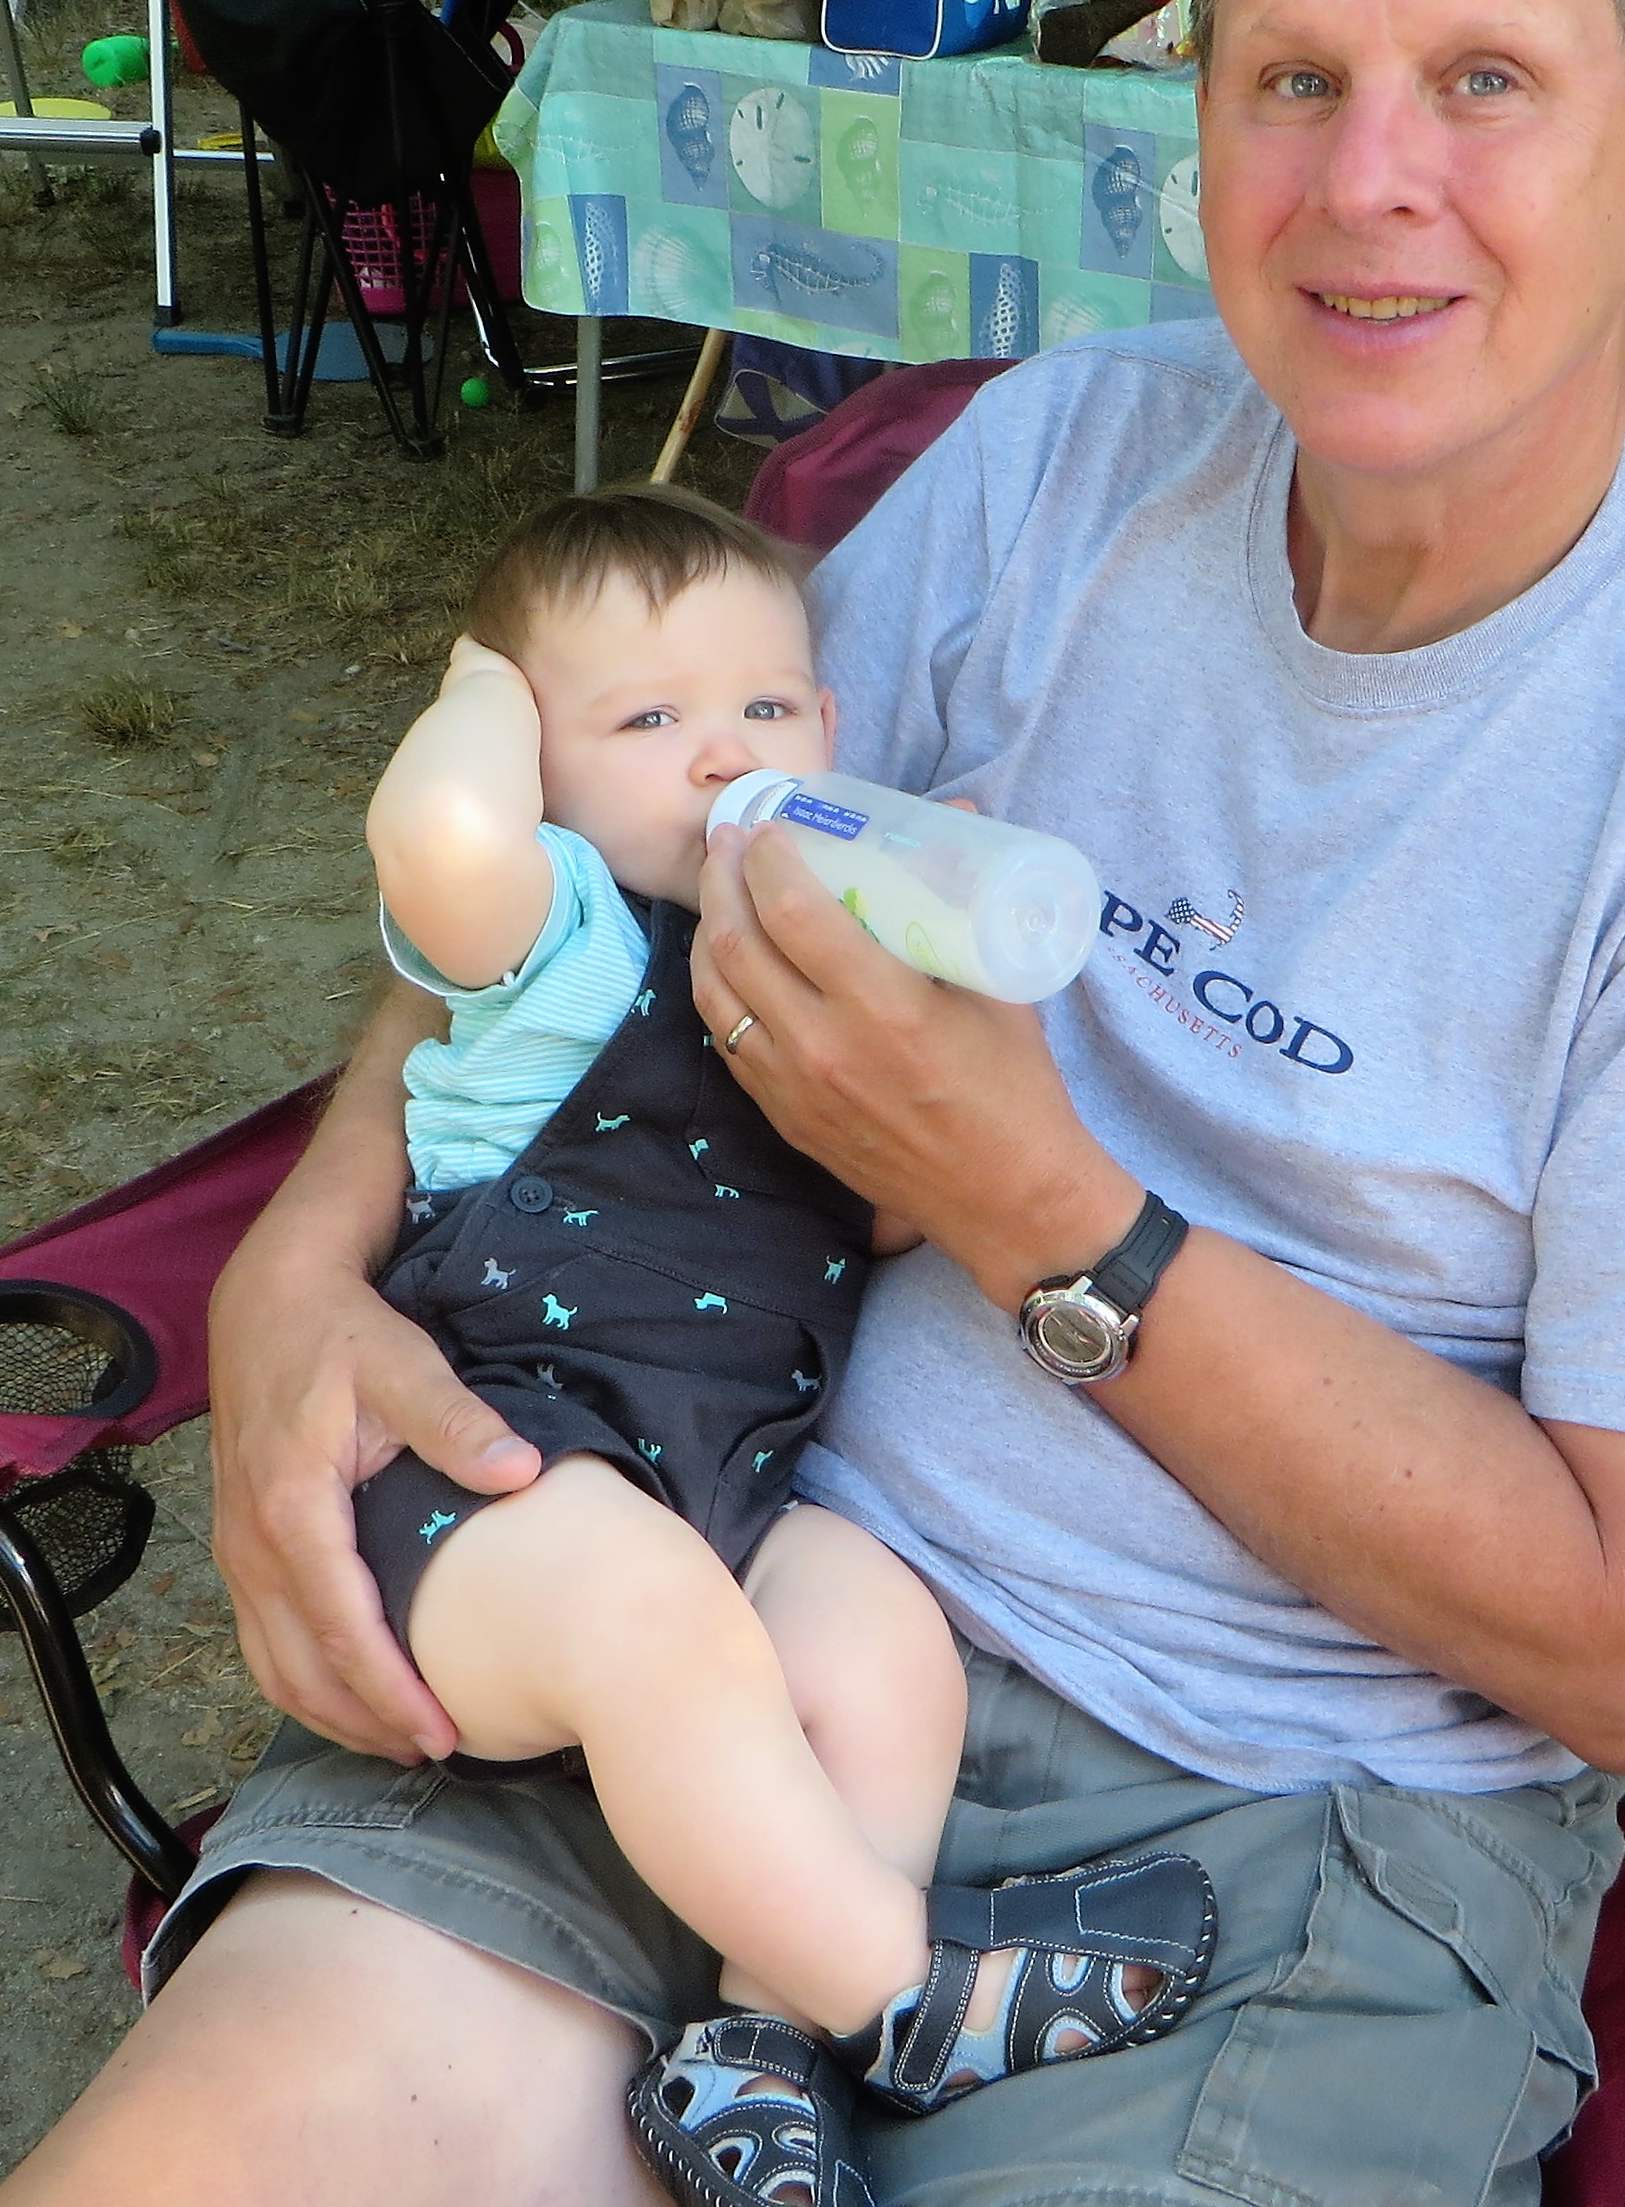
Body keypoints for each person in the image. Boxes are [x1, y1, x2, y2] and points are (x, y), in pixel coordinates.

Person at [0, 0, 1625, 2203]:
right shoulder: (1057, 471)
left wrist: (1050, 1219)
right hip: (710, 1576)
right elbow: (601, 863)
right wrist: (300, 1259)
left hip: (1278, 1825)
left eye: (1488, 79)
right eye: (1293, 77)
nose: (1371, 181)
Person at [347, 485, 1215, 2207]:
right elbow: (437, 834)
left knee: (883, 1641)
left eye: (761, 707)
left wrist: (938, 1018)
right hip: (493, 1493)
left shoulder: (810, 976)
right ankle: (899, 1994)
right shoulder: (553, 937)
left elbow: (877, 1219)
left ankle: (758, 2052)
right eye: (642, 721)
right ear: (535, 767)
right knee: (649, 1618)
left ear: (827, 728)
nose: (717, 755)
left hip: (716, 1489)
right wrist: (480, 695)